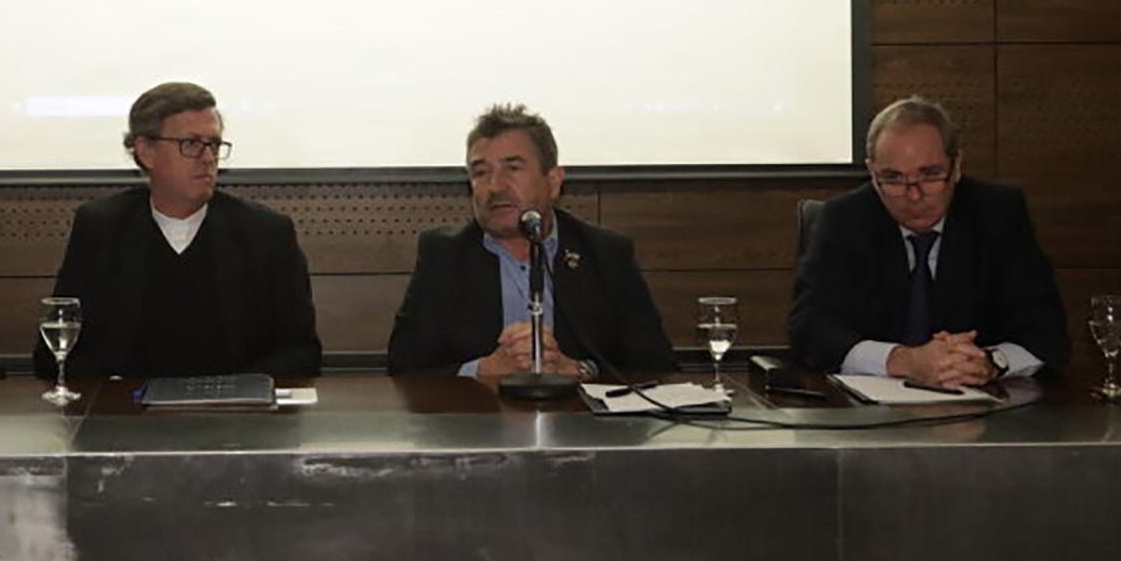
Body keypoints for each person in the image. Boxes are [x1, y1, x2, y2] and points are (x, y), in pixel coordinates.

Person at [34, 82, 321, 380]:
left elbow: (302, 352)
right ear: (146, 152)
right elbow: (54, 353)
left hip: (233, 405)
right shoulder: (101, 229)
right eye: (191, 144)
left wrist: (239, 390)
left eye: (213, 145)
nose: (207, 158)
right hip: (128, 405)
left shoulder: (265, 233)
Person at [788, 96, 1069, 386]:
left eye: (930, 175)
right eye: (894, 178)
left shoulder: (998, 214)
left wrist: (990, 362)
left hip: (981, 402)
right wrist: (901, 360)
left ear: (956, 166)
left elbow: (1047, 331)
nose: (914, 195)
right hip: (868, 407)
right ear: (872, 173)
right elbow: (809, 328)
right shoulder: (844, 219)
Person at [387, 103, 676, 378]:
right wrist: (482, 370)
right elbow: (404, 367)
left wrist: (577, 370)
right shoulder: (444, 255)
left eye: (512, 168)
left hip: (576, 413)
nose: (494, 186)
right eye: (481, 172)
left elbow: (656, 366)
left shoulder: (605, 253)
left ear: (553, 182)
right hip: (477, 413)